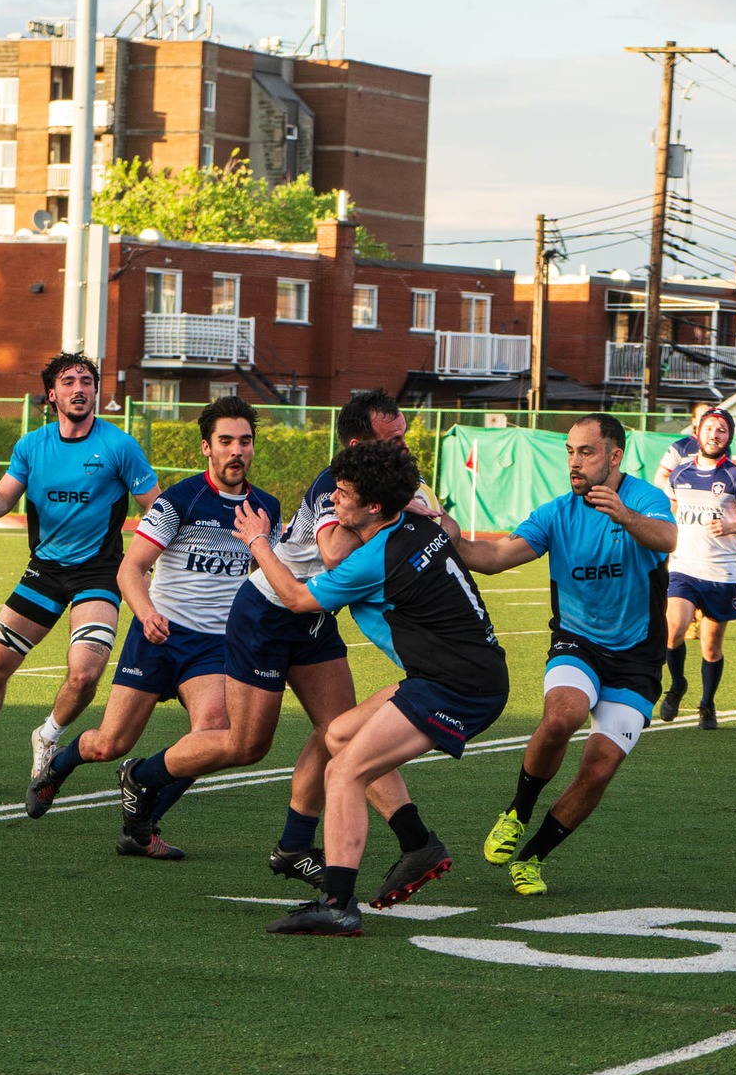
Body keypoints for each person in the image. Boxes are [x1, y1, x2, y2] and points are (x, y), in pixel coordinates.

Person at [101, 391, 430, 891]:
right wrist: (398, 522)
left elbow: (442, 528)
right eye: (395, 439)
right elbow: (337, 554)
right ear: (362, 445)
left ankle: (322, 845)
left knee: (340, 731)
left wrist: (419, 513)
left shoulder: (400, 480)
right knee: (245, 745)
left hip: (314, 614)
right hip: (270, 611)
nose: (406, 447)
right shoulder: (332, 485)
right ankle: (143, 777)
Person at [233, 439, 505, 935]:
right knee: (337, 733)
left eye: (342, 492)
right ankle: (417, 843)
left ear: (374, 505)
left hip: (456, 684)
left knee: (343, 772)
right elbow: (444, 526)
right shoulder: (418, 522)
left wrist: (257, 540)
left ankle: (338, 903)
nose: (332, 499)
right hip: (456, 671)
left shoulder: (373, 559)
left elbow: (294, 597)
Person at [26, 397, 277, 859]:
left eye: (244, 441)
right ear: (207, 447)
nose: (236, 451)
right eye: (225, 441)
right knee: (108, 743)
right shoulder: (179, 501)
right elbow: (130, 569)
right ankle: (57, 768)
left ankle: (141, 827)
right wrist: (146, 614)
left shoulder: (267, 510)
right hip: (157, 635)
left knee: (214, 733)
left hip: (215, 647)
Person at [451, 414, 677, 895]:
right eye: (570, 452)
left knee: (598, 770)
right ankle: (517, 812)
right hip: (577, 641)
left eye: (586, 452)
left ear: (615, 456)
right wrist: (450, 536)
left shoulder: (643, 499)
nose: (574, 462)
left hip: (637, 658)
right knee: (562, 717)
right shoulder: (556, 513)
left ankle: (531, 858)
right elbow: (493, 559)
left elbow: (667, 539)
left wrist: (624, 516)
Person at [0, 353, 159, 794]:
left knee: (85, 674)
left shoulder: (119, 446)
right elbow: (4, 499)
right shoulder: (31, 446)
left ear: (95, 392)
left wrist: (147, 565)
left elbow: (157, 509)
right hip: (45, 571)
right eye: (69, 381)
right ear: (52, 395)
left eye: (87, 381)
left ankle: (48, 735)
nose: (79, 388)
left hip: (100, 572)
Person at [658, 407, 736, 727]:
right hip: (684, 567)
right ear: (698, 433)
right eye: (709, 428)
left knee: (710, 647)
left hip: (720, 573)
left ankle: (707, 703)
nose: (714, 434)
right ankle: (677, 685)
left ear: (728, 436)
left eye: (721, 430)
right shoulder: (680, 473)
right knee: (673, 630)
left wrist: (733, 527)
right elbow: (669, 514)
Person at [650, 401, 716, 492]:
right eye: (702, 416)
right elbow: (660, 478)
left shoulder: (722, 448)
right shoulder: (681, 446)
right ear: (694, 421)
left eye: (710, 416)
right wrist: (680, 492)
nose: (706, 420)